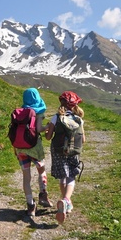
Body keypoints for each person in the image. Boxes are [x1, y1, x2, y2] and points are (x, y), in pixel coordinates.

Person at [45, 91, 85, 224]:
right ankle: (67, 201)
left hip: (58, 151)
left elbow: (48, 137)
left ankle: (65, 200)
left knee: (63, 177)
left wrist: (47, 131)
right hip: (74, 151)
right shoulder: (79, 119)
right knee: (71, 177)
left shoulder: (56, 118)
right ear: (75, 105)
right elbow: (83, 139)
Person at [14, 88, 53, 216]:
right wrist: (48, 127)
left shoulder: (20, 113)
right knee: (41, 170)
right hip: (35, 148)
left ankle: (30, 206)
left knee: (26, 177)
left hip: (20, 148)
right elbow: (39, 128)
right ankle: (43, 195)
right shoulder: (38, 112)